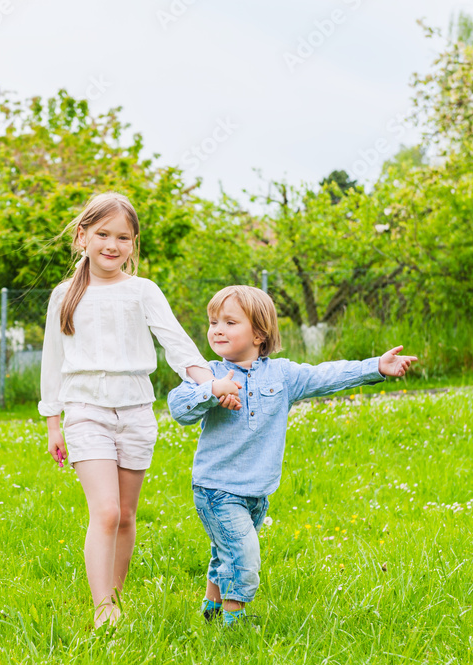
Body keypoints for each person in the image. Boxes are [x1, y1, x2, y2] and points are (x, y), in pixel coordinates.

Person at [39, 192, 241, 629]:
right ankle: (102, 611)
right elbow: (52, 360)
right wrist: (53, 422)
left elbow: (177, 344)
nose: (112, 245)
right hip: (85, 410)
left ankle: (115, 598)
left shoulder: (142, 291)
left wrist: (211, 383)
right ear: (83, 236)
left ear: (133, 244)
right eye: (103, 234)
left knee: (127, 516)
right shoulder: (64, 296)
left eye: (123, 237)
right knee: (106, 512)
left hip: (135, 413)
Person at [167, 285, 417, 627]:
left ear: (259, 333)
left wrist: (376, 366)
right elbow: (178, 408)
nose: (217, 329)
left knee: (226, 551)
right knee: (243, 557)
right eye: (213, 322)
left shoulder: (282, 376)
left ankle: (211, 611)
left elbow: (326, 375)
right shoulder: (207, 372)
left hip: (257, 490)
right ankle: (233, 624)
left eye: (229, 321)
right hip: (216, 490)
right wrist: (211, 390)